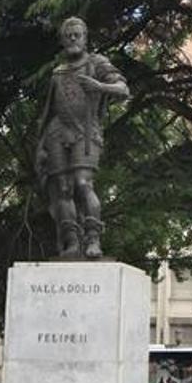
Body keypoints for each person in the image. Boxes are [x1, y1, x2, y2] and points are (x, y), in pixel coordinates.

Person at [35, 17, 129, 258]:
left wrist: (99, 86)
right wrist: (42, 145)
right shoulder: (58, 72)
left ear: (85, 38)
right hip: (56, 133)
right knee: (63, 189)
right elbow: (49, 112)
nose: (73, 39)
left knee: (83, 183)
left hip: (86, 132)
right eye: (68, 35)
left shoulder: (97, 63)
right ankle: (72, 241)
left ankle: (93, 238)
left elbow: (123, 90)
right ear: (63, 40)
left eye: (77, 34)